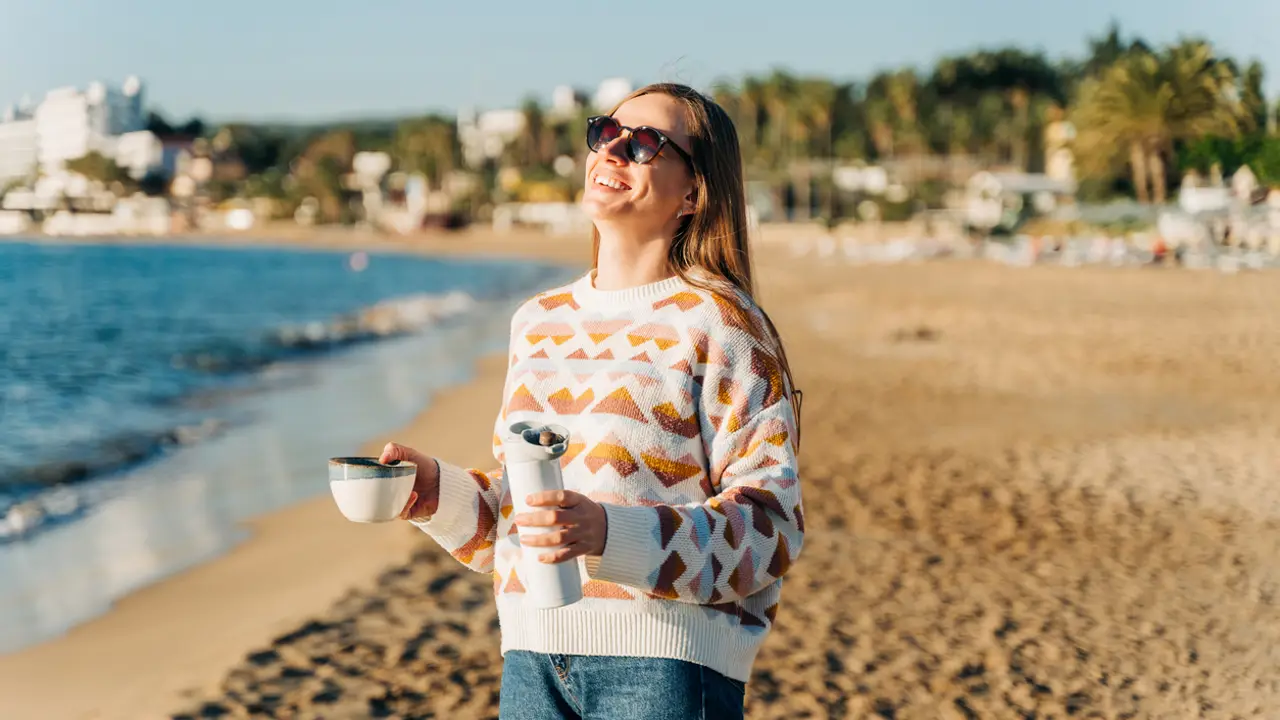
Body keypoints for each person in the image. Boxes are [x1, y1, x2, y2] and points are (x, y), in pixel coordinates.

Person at [380, 83, 805, 720]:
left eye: (643, 144)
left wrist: (608, 533)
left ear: (693, 193)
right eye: (605, 132)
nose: (612, 151)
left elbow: (772, 528)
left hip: (666, 670)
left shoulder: (722, 325)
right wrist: (435, 493)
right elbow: (521, 524)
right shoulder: (538, 322)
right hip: (531, 662)